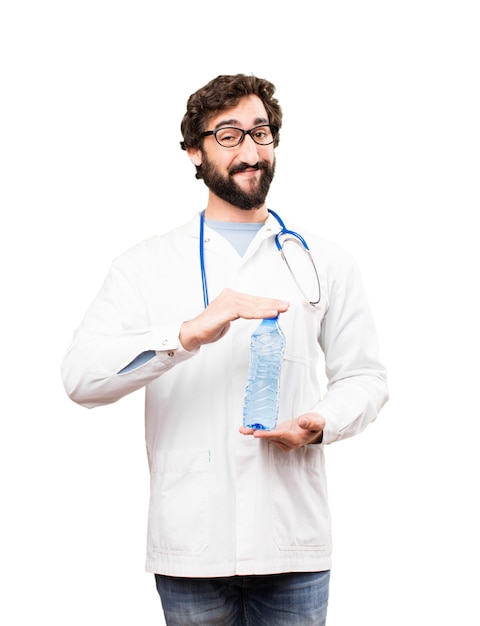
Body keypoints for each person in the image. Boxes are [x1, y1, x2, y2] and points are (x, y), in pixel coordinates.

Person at [61, 73, 388, 625]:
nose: (251, 149)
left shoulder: (323, 262)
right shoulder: (144, 266)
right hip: (192, 544)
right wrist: (183, 336)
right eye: (229, 134)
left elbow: (366, 377)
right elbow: (81, 380)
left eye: (261, 132)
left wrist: (319, 420)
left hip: (293, 542)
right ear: (195, 150)